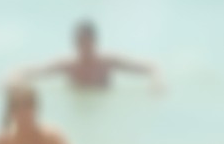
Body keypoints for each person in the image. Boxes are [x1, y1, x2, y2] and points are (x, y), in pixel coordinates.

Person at [12, 20, 161, 91]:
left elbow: (150, 67)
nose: (83, 47)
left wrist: (157, 82)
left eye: (87, 42)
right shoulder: (68, 65)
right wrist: (11, 80)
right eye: (80, 43)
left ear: (95, 42)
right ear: (74, 43)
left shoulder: (107, 62)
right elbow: (29, 71)